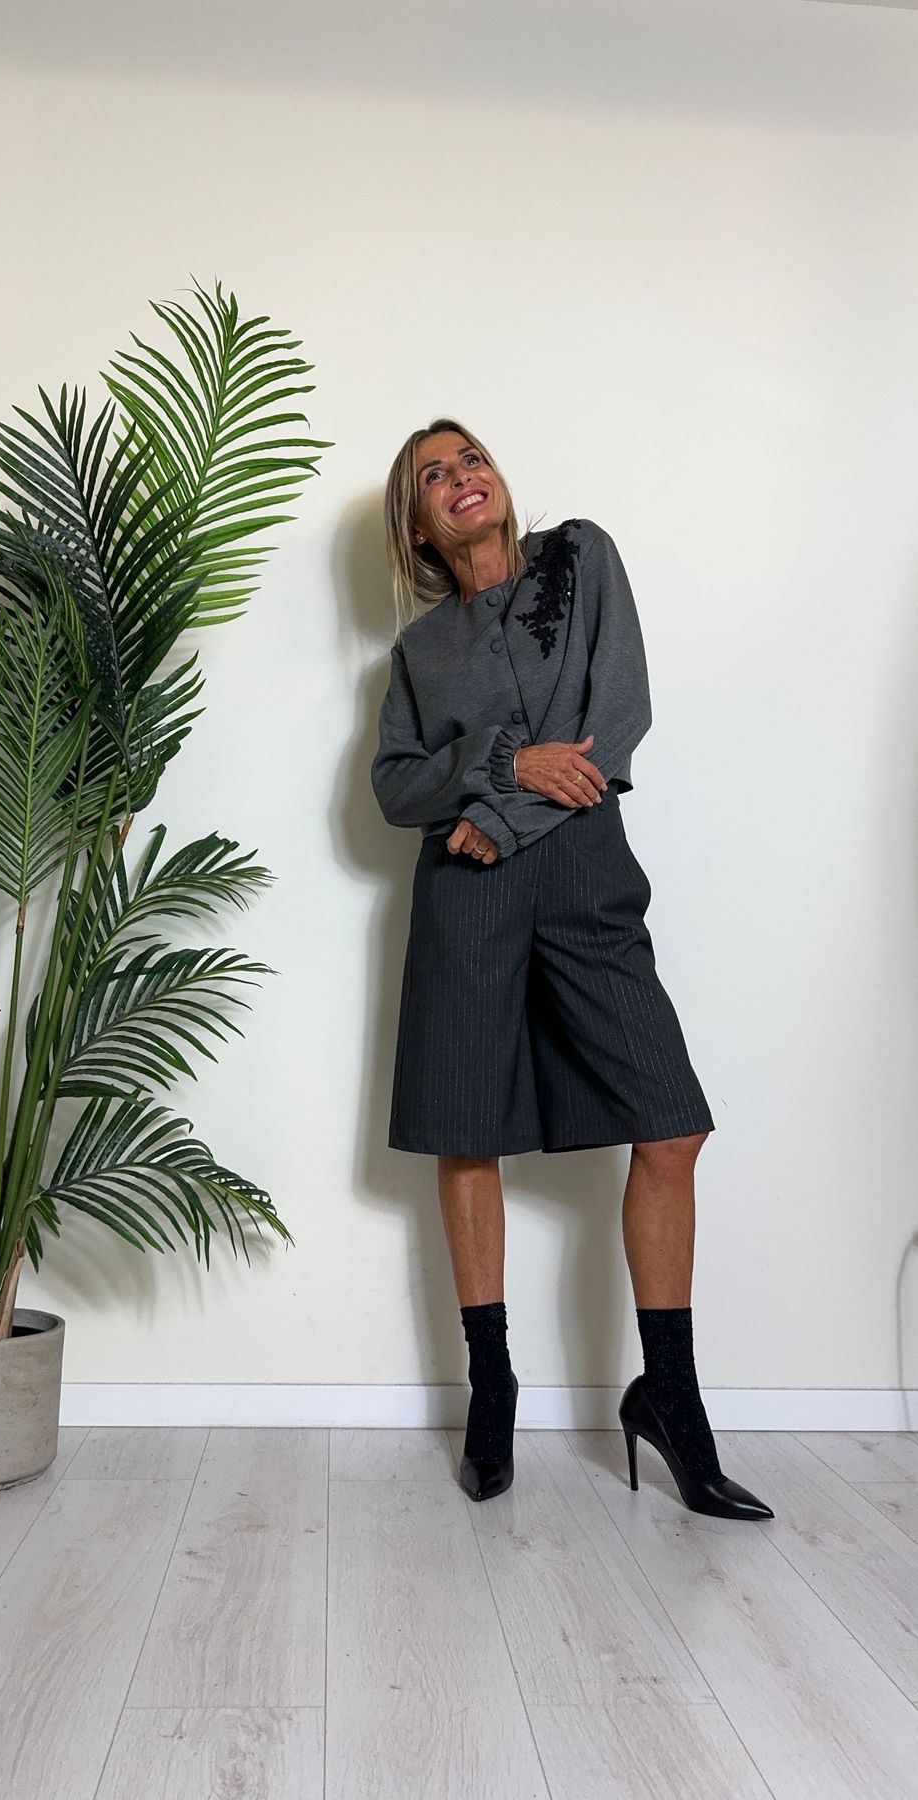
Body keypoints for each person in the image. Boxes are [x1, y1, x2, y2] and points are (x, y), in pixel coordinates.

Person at [370, 417, 773, 1523]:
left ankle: (670, 1398)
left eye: (470, 458)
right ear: (417, 524)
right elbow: (395, 788)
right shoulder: (417, 654)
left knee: (670, 1126)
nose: (462, 478)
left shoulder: (580, 557)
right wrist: (506, 762)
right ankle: (491, 1386)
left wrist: (500, 814)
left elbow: (618, 718)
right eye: (433, 475)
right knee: (467, 1133)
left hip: (581, 877)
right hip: (466, 900)